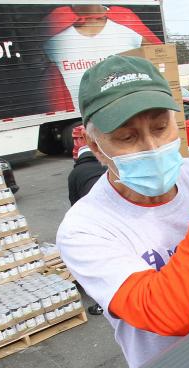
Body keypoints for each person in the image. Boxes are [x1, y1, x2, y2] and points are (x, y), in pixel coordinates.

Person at [56, 55, 189, 368]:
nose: (152, 147)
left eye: (160, 127)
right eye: (127, 137)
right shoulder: (85, 229)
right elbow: (167, 312)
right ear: (96, 147)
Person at [42, 4, 162, 111]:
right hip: (76, 121)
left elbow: (162, 62)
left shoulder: (125, 20)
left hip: (127, 115)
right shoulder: (52, 26)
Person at [67, 129, 109, 315]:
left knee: (104, 270)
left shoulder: (75, 174)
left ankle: (102, 304)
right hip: (114, 215)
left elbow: (75, 204)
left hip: (97, 223)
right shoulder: (107, 164)